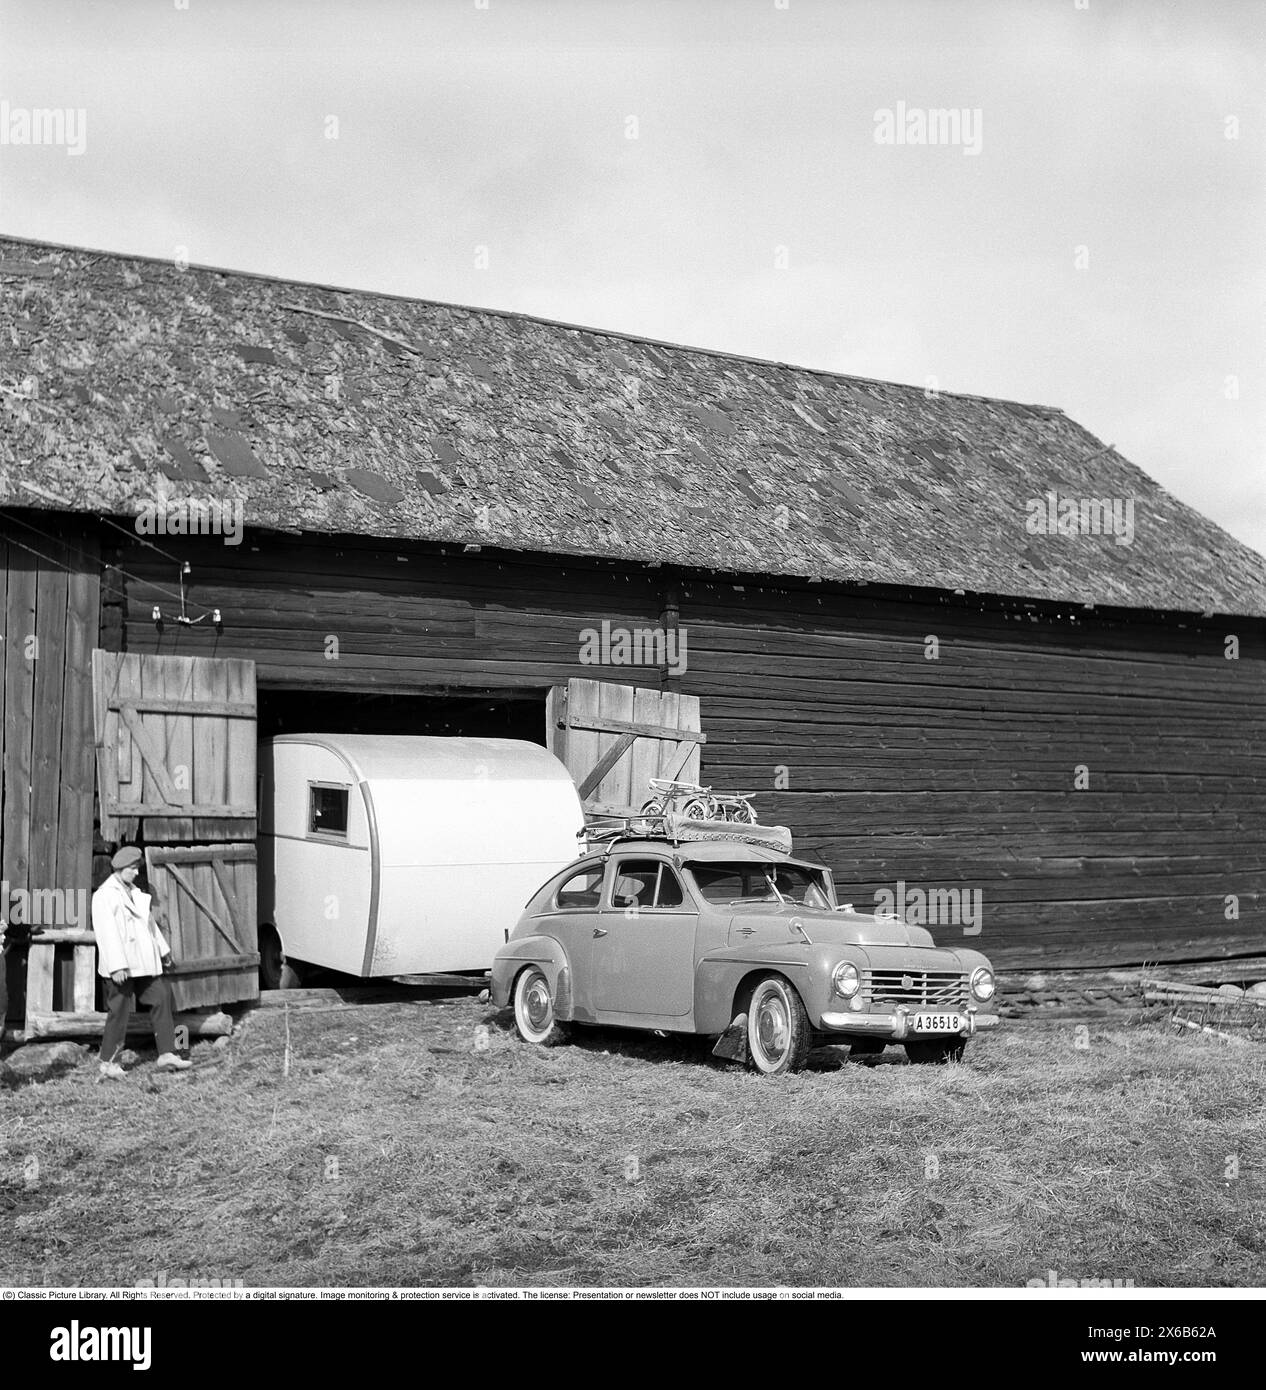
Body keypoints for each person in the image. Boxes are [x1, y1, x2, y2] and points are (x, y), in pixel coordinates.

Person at [91, 846, 191, 1079]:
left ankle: (167, 1053)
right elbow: (106, 932)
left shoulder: (135, 892)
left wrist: (163, 950)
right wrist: (116, 966)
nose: (136, 873)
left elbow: (149, 926)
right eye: (132, 869)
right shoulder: (104, 895)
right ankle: (109, 1062)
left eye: (137, 868)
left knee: (161, 996)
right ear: (120, 868)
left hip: (144, 961)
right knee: (119, 1010)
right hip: (123, 965)